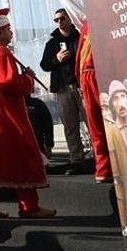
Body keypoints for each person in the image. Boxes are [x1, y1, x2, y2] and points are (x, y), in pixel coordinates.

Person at [0, 8, 54, 220]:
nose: (12, 33)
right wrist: (28, 80)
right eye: (8, 29)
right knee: (22, 156)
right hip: (4, 116)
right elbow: (9, 81)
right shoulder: (0, 52)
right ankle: (29, 206)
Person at [41, 9, 87, 174]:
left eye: (62, 18)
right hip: (63, 89)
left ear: (69, 19)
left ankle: (100, 156)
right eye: (56, 20)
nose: (59, 22)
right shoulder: (52, 43)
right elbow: (44, 65)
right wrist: (56, 59)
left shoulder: (80, 37)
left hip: (81, 86)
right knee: (70, 126)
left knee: (91, 121)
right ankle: (77, 159)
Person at [76, 17, 113, 182]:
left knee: (97, 125)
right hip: (99, 74)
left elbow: (78, 58)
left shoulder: (86, 25)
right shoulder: (103, 19)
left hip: (87, 75)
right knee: (110, 121)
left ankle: (103, 168)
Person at [104, 81, 127, 227]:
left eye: (123, 97)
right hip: (126, 199)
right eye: (115, 99)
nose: (120, 103)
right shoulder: (112, 132)